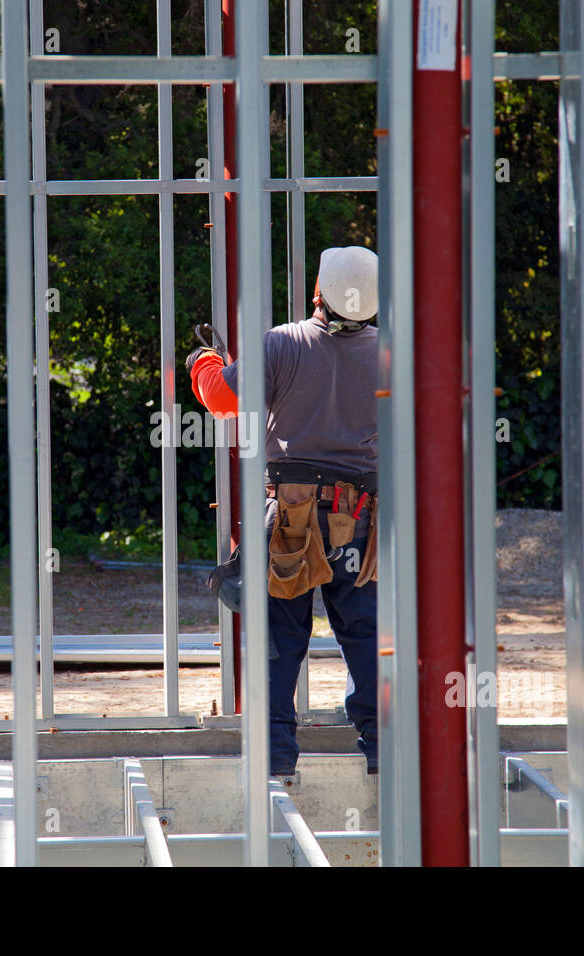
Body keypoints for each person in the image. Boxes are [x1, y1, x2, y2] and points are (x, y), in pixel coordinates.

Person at [186, 245, 380, 777]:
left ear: (319, 292)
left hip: (292, 517)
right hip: (357, 519)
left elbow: (220, 398)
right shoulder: (390, 352)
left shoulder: (283, 343)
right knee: (364, 634)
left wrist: (204, 362)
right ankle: (384, 750)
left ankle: (275, 764)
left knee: (280, 640)